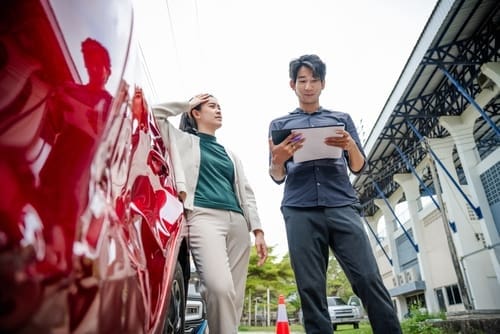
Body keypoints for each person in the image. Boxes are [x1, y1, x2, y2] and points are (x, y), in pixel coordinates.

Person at [268, 54, 402, 334]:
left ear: (323, 83)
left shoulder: (340, 119)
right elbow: (277, 176)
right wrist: (278, 159)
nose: (308, 86)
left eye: (314, 80)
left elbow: (358, 166)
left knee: (368, 278)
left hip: (342, 204)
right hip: (299, 209)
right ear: (292, 84)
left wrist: (350, 144)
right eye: (302, 80)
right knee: (310, 287)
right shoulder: (279, 125)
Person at [153, 94, 268, 334]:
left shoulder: (230, 154)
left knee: (233, 297)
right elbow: (154, 113)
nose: (218, 110)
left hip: (237, 223)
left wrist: (257, 230)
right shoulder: (181, 140)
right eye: (212, 106)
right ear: (196, 112)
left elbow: (246, 192)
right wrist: (186, 103)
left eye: (219, 107)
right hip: (203, 217)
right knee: (219, 287)